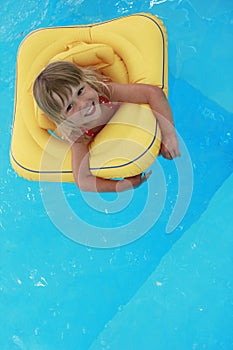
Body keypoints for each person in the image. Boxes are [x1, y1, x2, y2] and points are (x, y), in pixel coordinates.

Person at [33, 61, 180, 192]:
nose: (83, 104)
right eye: (70, 106)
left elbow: (152, 93)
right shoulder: (78, 135)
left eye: (80, 91)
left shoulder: (105, 92)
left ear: (87, 82)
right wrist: (120, 186)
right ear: (62, 118)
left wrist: (169, 134)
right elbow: (82, 180)